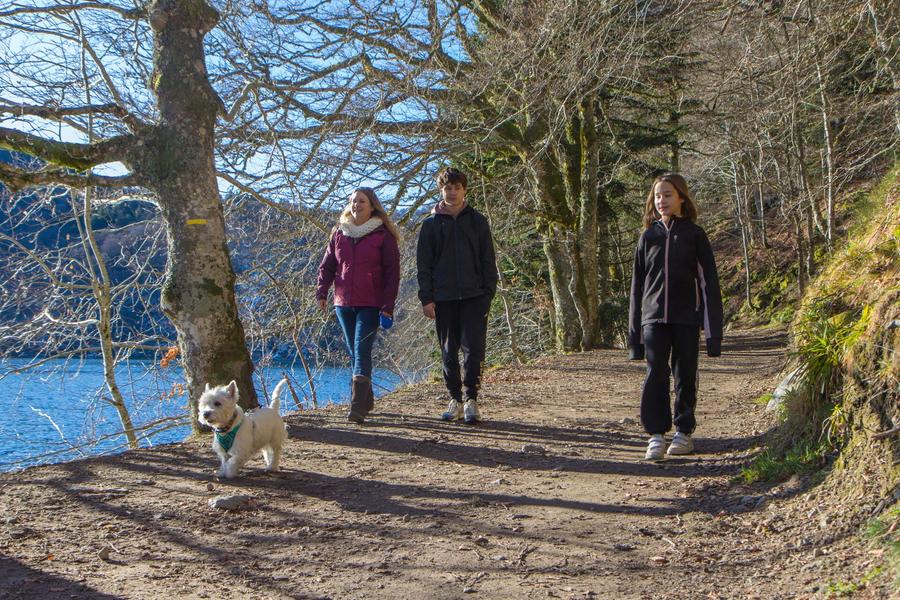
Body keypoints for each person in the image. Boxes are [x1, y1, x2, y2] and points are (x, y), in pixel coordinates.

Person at [628, 173, 723, 460]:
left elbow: (709, 285)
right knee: (656, 372)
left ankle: (683, 431)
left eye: (667, 195)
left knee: (685, 374)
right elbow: (637, 288)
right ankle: (656, 434)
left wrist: (713, 334)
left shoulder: (695, 235)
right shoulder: (648, 237)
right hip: (653, 319)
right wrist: (634, 336)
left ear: (681, 197)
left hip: (686, 318)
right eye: (657, 196)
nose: (661, 201)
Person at [417, 167, 498, 424]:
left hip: (475, 296)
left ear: (465, 190)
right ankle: (455, 399)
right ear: (441, 191)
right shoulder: (430, 225)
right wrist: (426, 298)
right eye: (447, 188)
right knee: (448, 351)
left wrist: (488, 293)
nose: (452, 192)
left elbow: (488, 260)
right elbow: (424, 265)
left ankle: (471, 399)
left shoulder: (477, 221)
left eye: (456, 188)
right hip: (443, 298)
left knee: (474, 349)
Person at [317, 187, 401, 423]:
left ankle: (356, 405)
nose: (356, 205)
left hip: (371, 304)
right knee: (355, 352)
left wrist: (387, 306)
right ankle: (367, 399)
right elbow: (327, 265)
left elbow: (392, 274)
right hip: (343, 303)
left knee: (361, 349)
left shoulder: (382, 235)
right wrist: (322, 291)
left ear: (372, 205)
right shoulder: (339, 232)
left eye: (361, 201)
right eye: (353, 201)